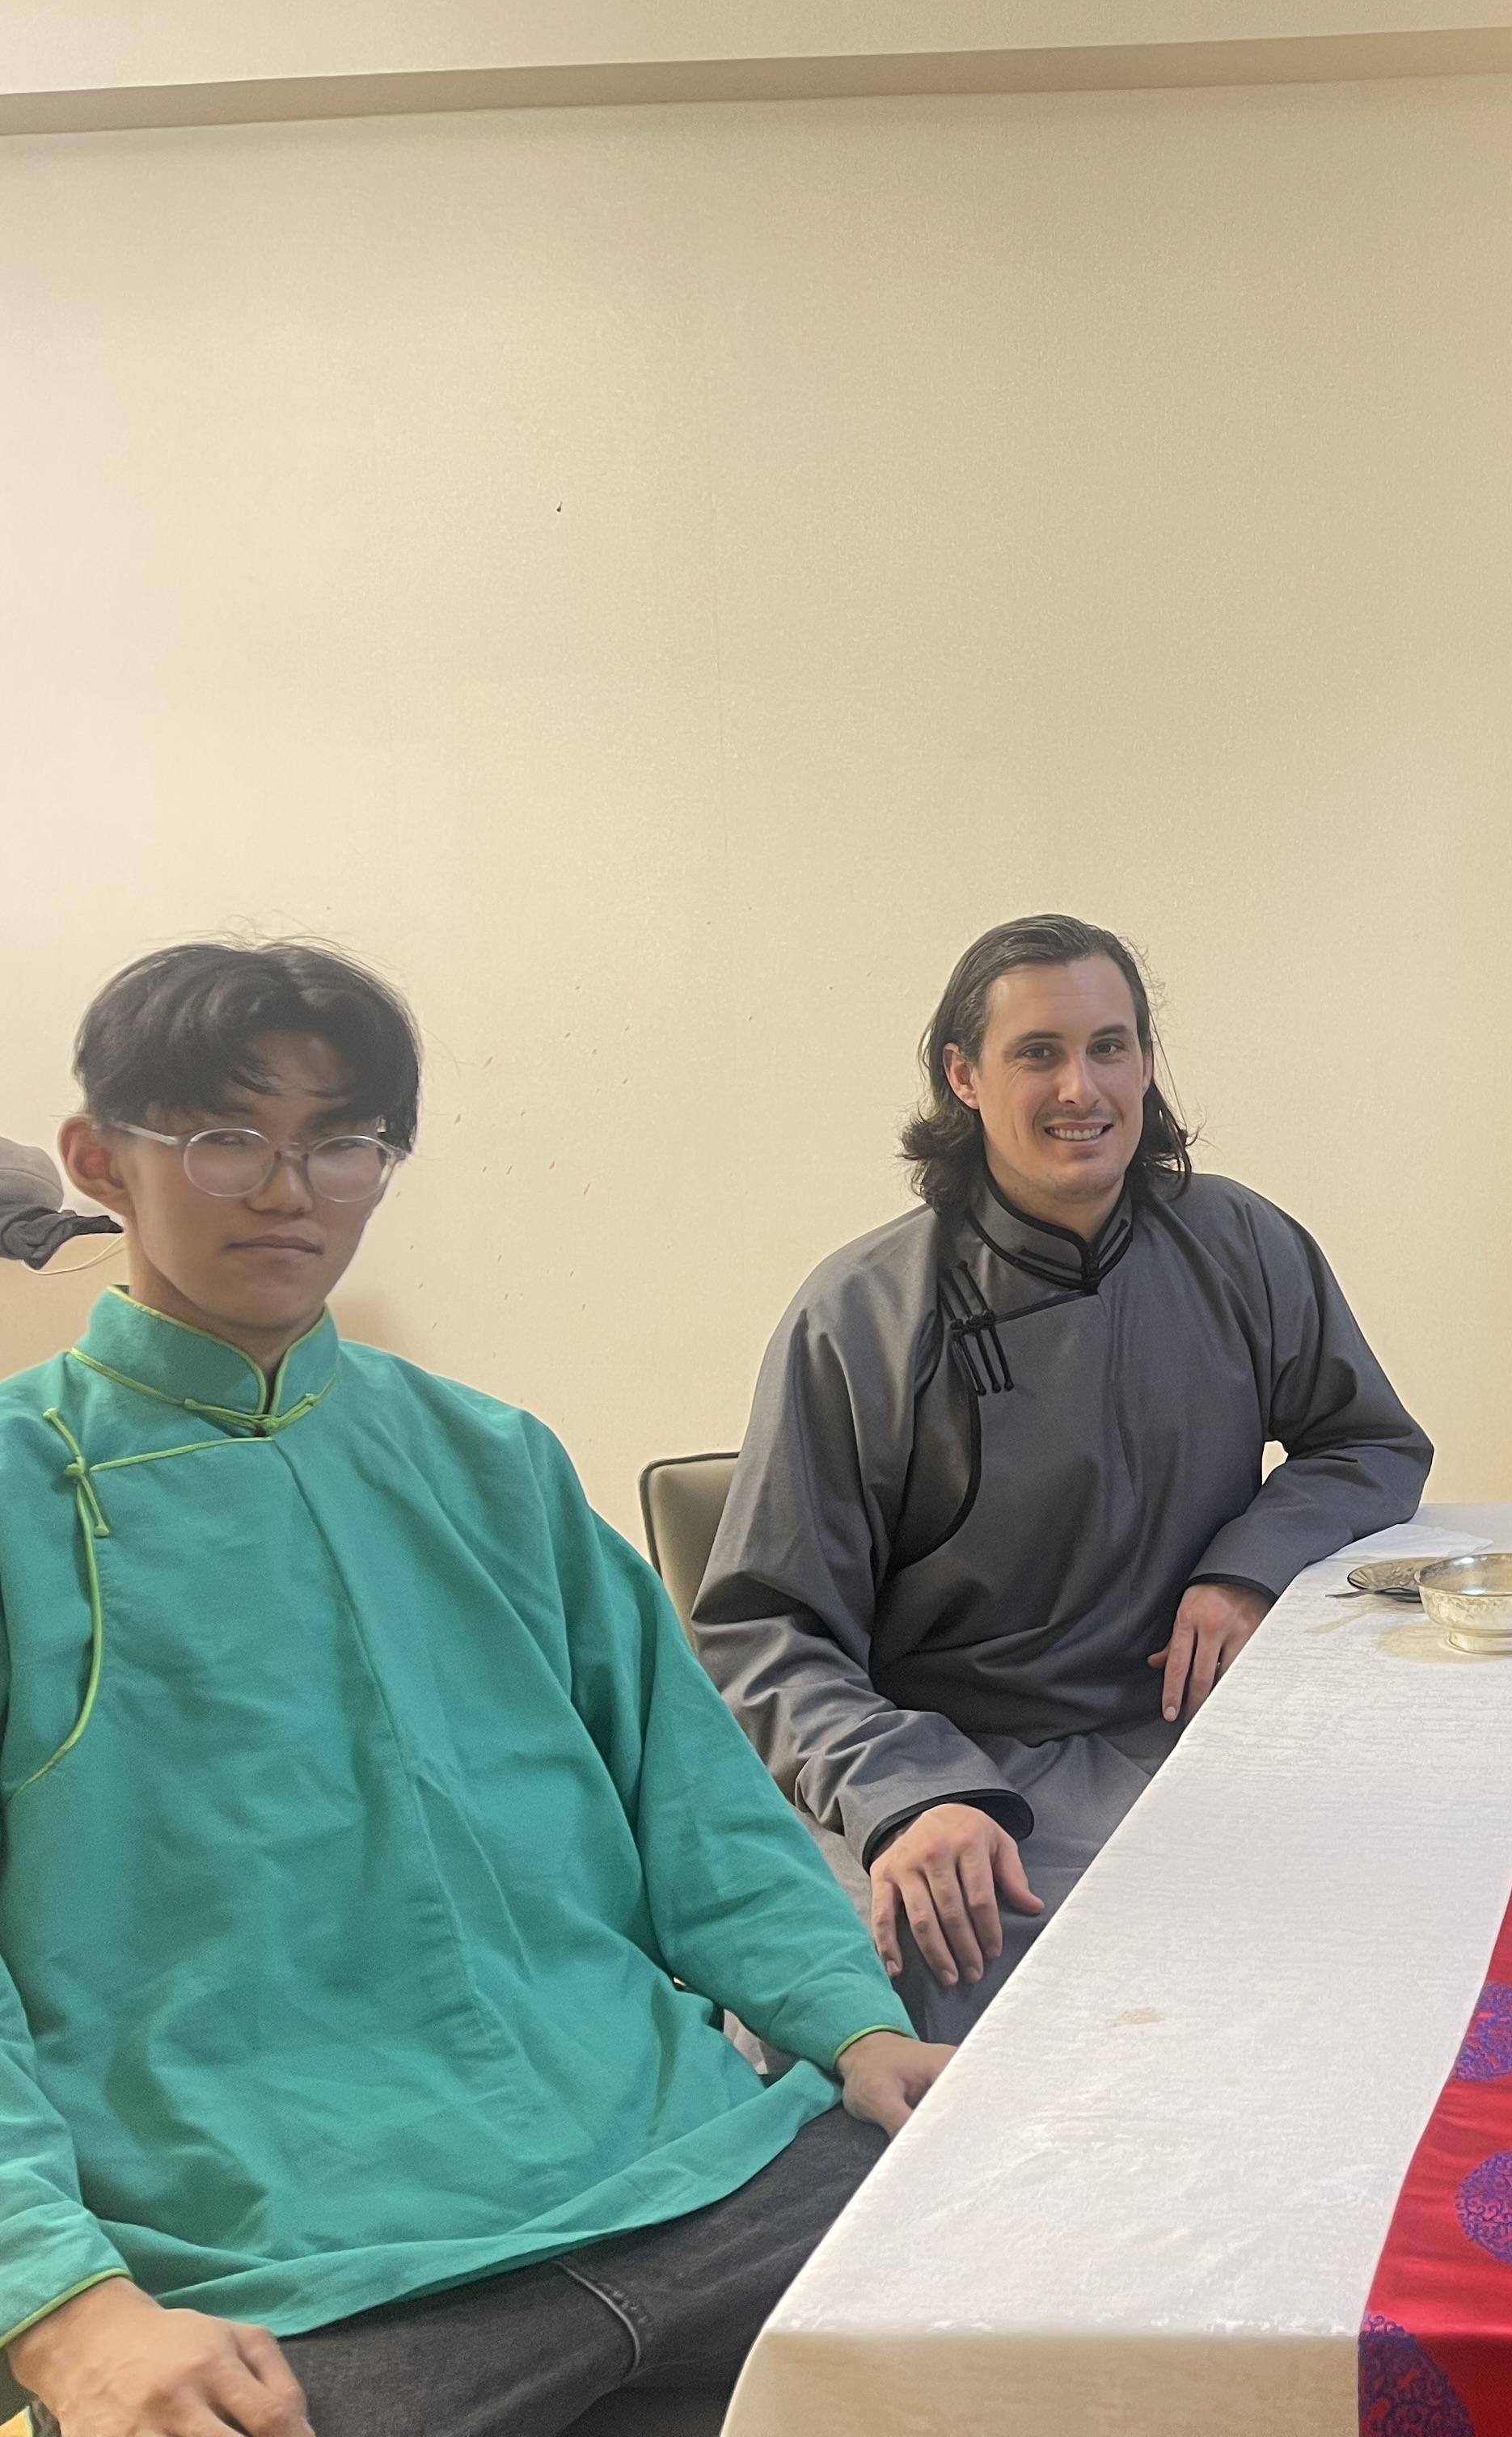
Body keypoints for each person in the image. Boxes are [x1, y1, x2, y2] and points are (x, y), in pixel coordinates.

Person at [1, 941, 947, 2437]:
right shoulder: (22, 1489)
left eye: (344, 1140)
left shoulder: (490, 1460)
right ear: (98, 1158)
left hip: (694, 2168)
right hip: (293, 2272)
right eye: (229, 1135)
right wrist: (62, 2308)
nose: (291, 1188)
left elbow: (693, 1797)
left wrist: (852, 2023)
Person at [696, 914, 1431, 2039]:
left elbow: (1367, 1443)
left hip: (1196, 1739)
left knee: (1410, 1893)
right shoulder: (862, 1315)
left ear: (1146, 1062)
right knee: (936, 1968)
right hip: (959, 1767)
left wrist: (1247, 1569)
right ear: (964, 1077)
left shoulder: (1241, 1245)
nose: (1080, 1089)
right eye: (1038, 1053)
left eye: (1109, 1048)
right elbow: (764, 1631)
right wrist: (907, 1796)